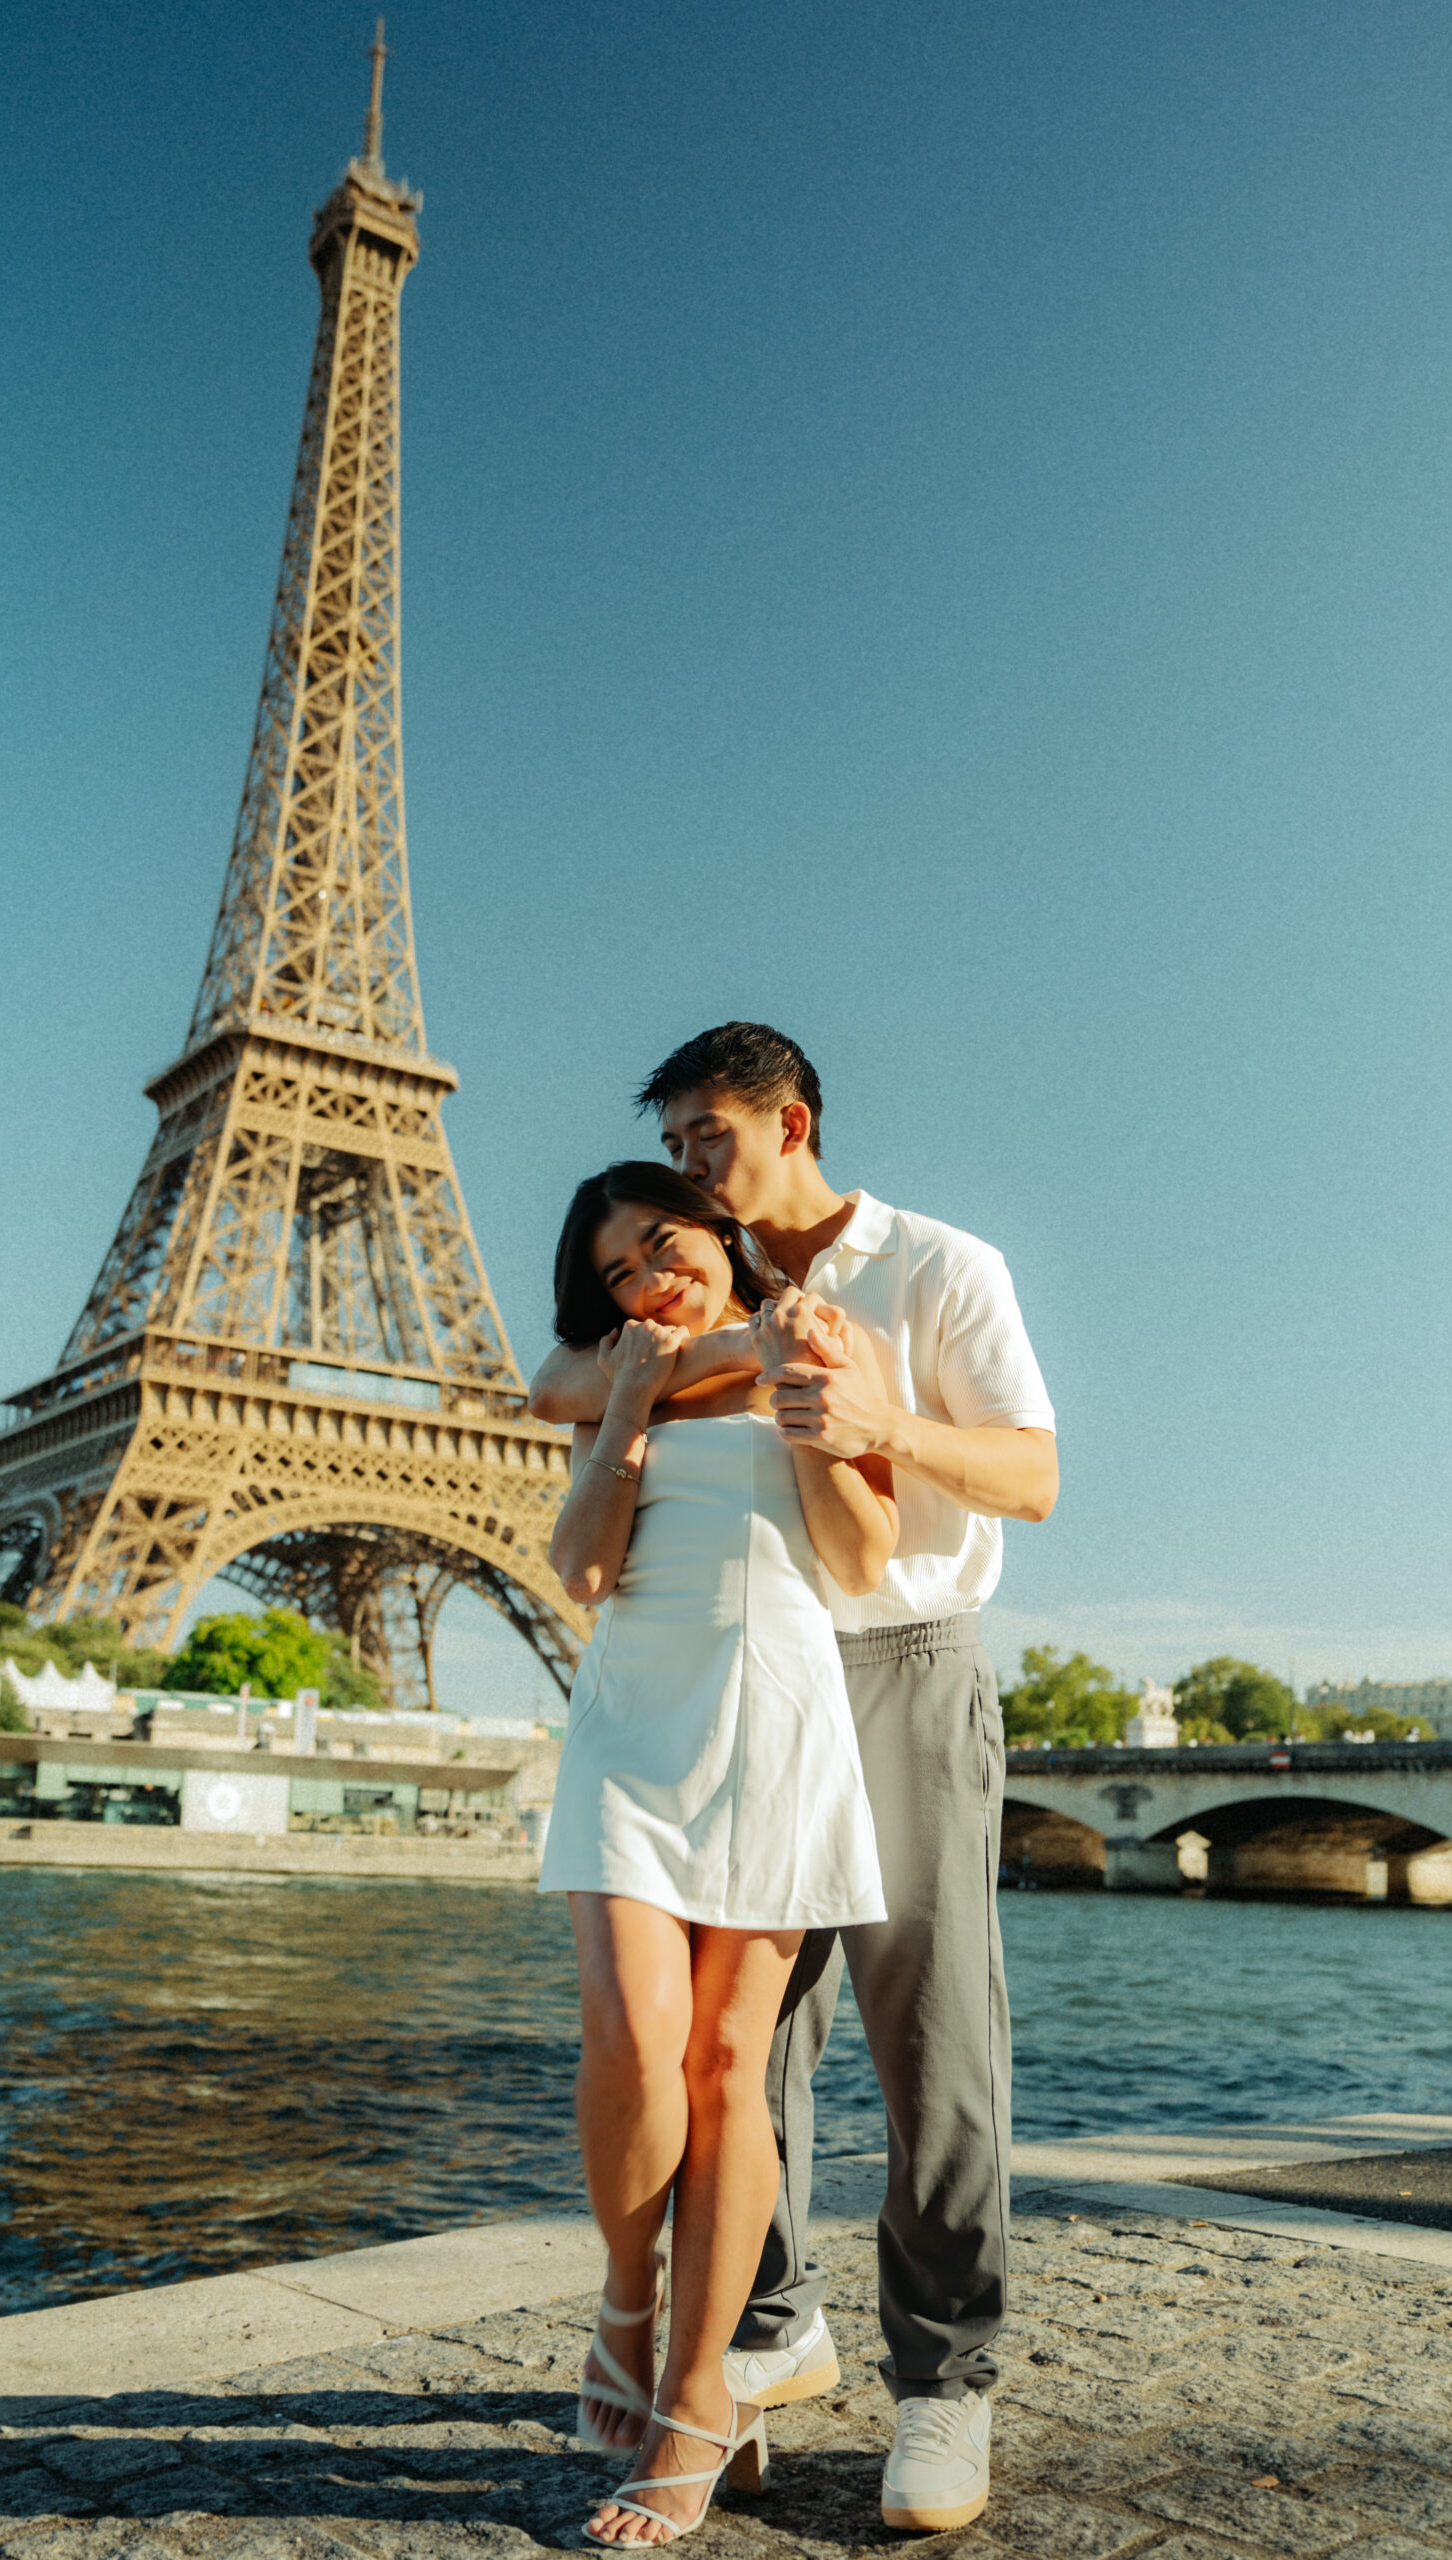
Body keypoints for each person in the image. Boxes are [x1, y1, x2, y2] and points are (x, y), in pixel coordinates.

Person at [532, 1023, 1057, 2537]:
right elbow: (563, 1385)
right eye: (676, 1152)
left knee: (931, 2042)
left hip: (889, 1659)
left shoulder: (935, 1267)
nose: (690, 1169)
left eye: (707, 1140)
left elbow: (1031, 1474)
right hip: (710, 1682)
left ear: (791, 1120)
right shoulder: (695, 1300)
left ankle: (945, 2382)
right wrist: (725, 1356)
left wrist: (870, 1415)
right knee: (734, 2061)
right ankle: (755, 2335)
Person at [537, 1160, 897, 2547]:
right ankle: (626, 2303)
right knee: (630, 2036)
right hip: (635, 1719)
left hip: (778, 1717)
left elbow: (861, 1560)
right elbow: (579, 1572)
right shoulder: (607, 1375)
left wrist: (808, 1420)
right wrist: (631, 1401)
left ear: (721, 1234)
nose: (645, 1280)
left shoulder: (821, 1347)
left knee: (730, 2064)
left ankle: (698, 2398)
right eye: (617, 1269)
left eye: (663, 1244)